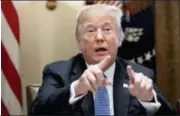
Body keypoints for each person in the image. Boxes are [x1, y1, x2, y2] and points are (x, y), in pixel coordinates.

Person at [29, 4, 175, 116]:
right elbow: (37, 112)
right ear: (79, 41)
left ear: (119, 38)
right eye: (91, 30)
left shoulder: (140, 74)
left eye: (107, 29)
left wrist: (149, 100)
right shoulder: (58, 72)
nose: (99, 37)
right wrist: (76, 89)